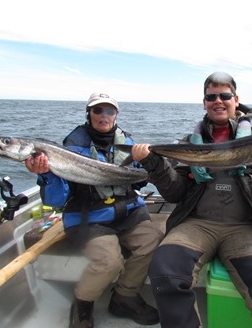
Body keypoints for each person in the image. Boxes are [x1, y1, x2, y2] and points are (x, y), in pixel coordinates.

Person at [130, 72, 252, 328]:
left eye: (224, 95)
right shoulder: (188, 144)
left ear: (236, 99)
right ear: (204, 102)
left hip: (247, 227)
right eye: (211, 96)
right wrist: (154, 164)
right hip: (196, 224)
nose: (218, 101)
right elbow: (175, 193)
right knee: (165, 271)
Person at [25, 92, 163, 328]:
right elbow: (56, 200)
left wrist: (153, 164)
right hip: (89, 219)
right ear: (89, 114)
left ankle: (124, 297)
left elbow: (140, 180)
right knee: (110, 261)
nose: (104, 115)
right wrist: (46, 174)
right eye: (97, 110)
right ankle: (82, 305)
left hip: (129, 214)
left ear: (116, 115)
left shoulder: (128, 143)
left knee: (154, 242)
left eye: (109, 110)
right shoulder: (70, 147)